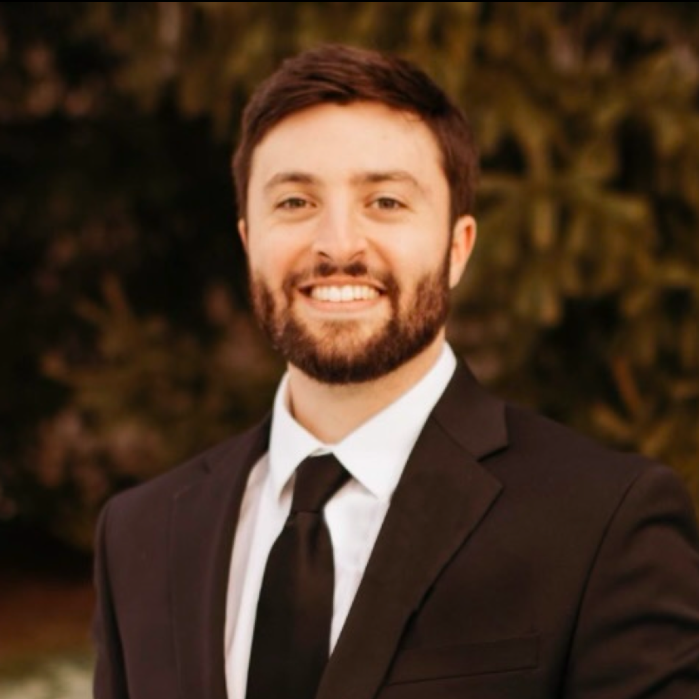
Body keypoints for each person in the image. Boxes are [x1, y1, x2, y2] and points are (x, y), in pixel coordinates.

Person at [92, 44, 699, 699]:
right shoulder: (139, 534)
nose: (337, 245)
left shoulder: (602, 523)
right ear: (249, 241)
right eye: (294, 202)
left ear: (457, 248)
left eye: (384, 201)